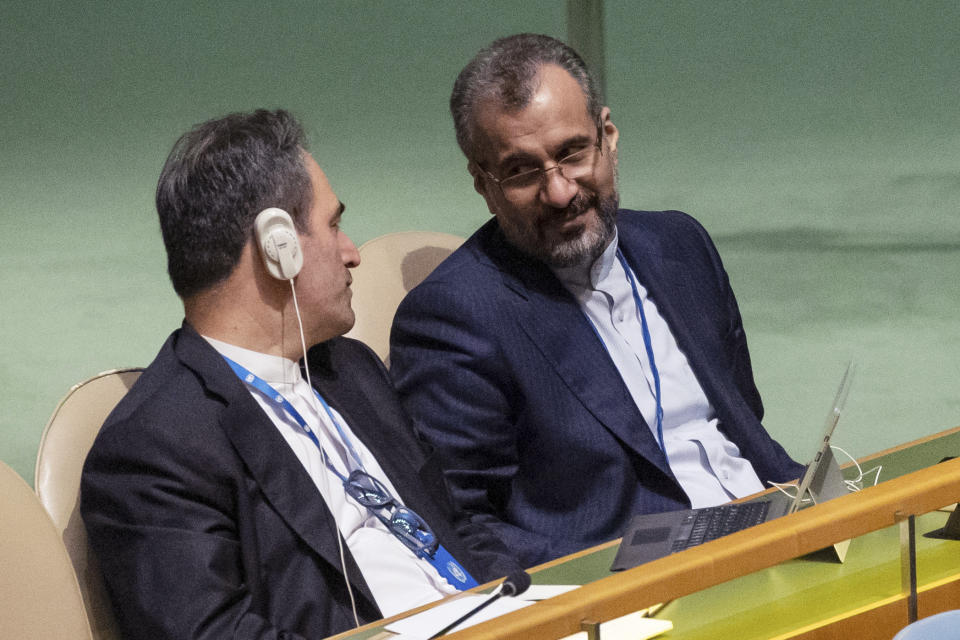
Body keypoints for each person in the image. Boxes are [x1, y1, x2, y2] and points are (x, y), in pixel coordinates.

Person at [81, 109, 520, 639]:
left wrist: (537, 604)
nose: (352, 253)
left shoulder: (350, 370)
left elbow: (458, 526)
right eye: (333, 225)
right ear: (277, 245)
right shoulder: (153, 449)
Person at [389, 34, 805, 568]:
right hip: (640, 588)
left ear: (607, 136)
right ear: (483, 184)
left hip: (780, 525)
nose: (560, 191)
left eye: (571, 153)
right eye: (520, 171)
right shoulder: (454, 318)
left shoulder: (681, 244)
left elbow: (743, 419)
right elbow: (463, 525)